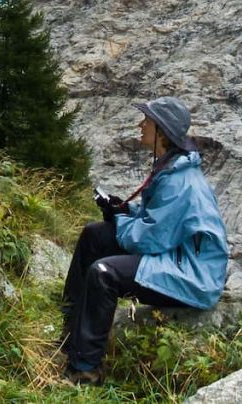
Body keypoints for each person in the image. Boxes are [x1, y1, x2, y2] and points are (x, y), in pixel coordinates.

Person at [61, 96, 229, 385]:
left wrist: (119, 218)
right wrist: (125, 210)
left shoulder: (181, 182)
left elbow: (148, 240)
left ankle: (85, 369)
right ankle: (71, 334)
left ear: (161, 132)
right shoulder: (173, 167)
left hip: (191, 273)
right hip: (175, 252)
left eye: (147, 121)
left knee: (104, 273)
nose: (141, 125)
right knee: (94, 235)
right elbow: (158, 219)